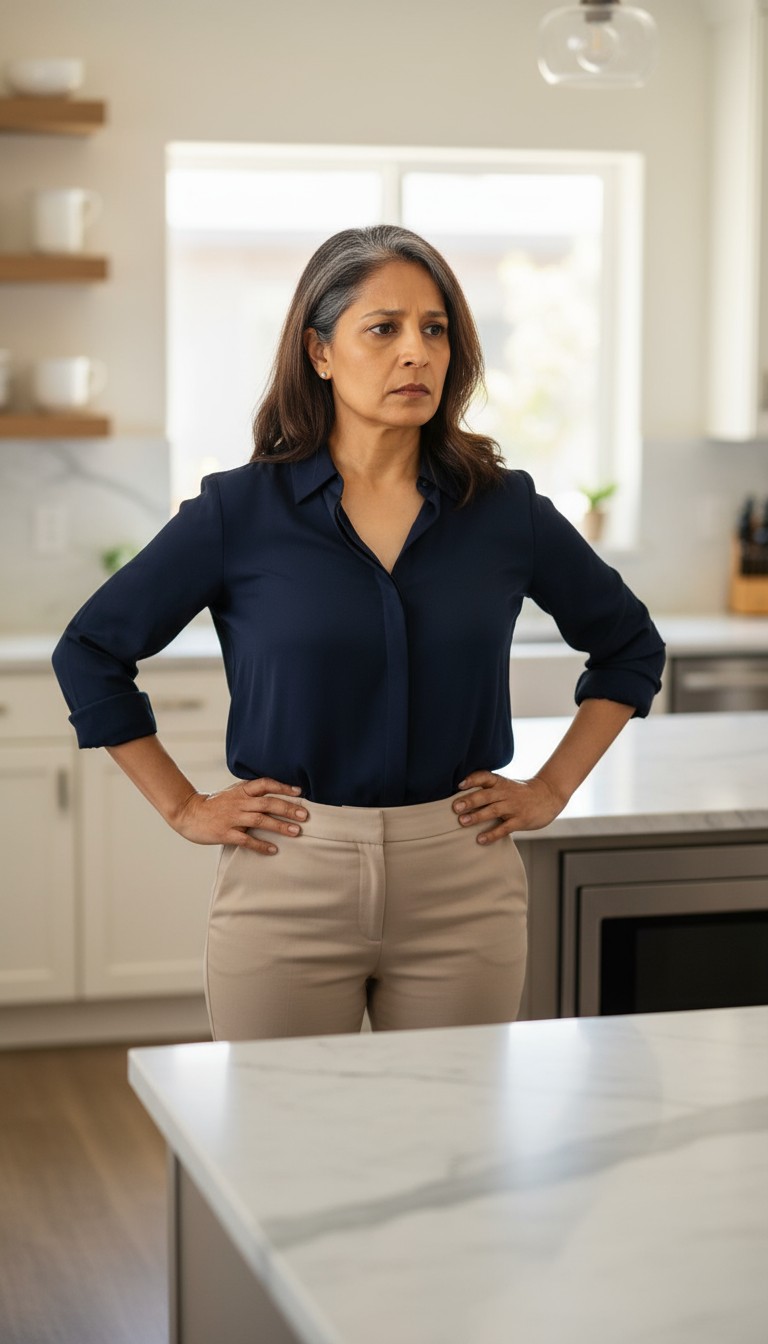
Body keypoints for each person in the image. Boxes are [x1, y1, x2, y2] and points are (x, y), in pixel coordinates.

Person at [52, 224, 665, 1041]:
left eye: (435, 329)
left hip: (463, 880)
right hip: (288, 877)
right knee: (284, 1148)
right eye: (384, 328)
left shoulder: (506, 511)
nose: (416, 352)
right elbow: (90, 651)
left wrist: (550, 788)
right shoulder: (239, 512)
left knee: (448, 1147)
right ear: (321, 351)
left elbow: (629, 645)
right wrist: (184, 807)